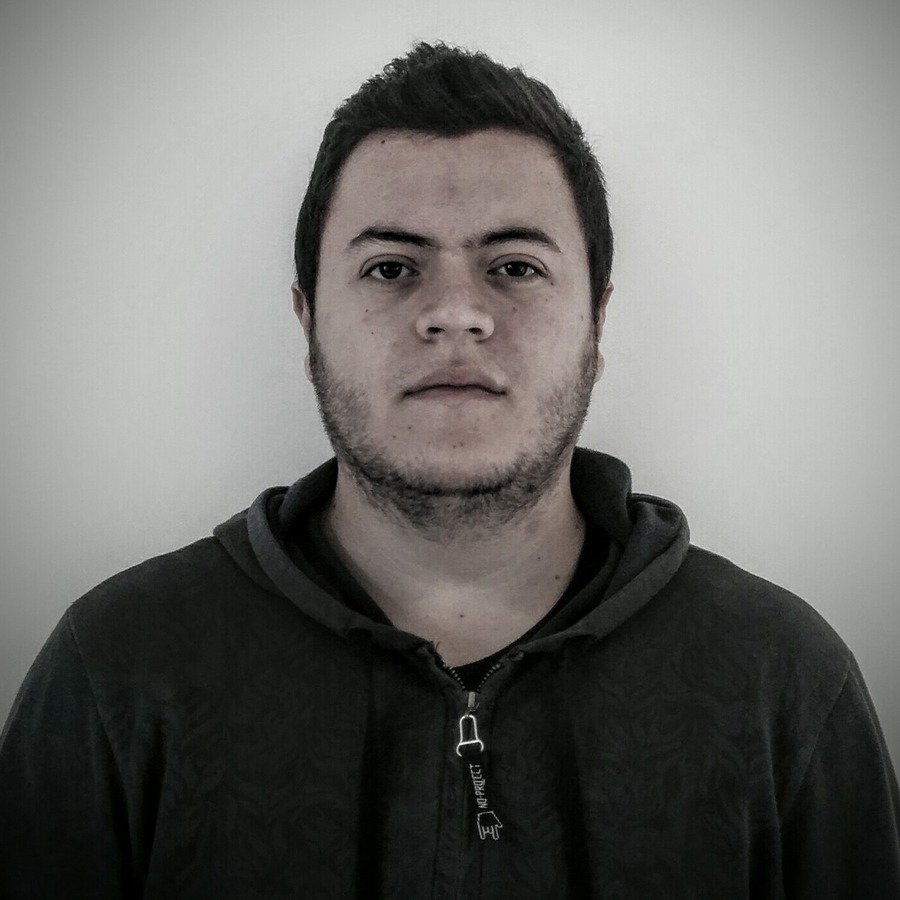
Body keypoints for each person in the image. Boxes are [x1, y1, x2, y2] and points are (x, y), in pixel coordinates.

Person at [1, 41, 898, 898]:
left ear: (596, 325)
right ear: (308, 323)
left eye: (515, 266)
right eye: (392, 267)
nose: (456, 312)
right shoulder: (116, 671)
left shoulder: (783, 684)